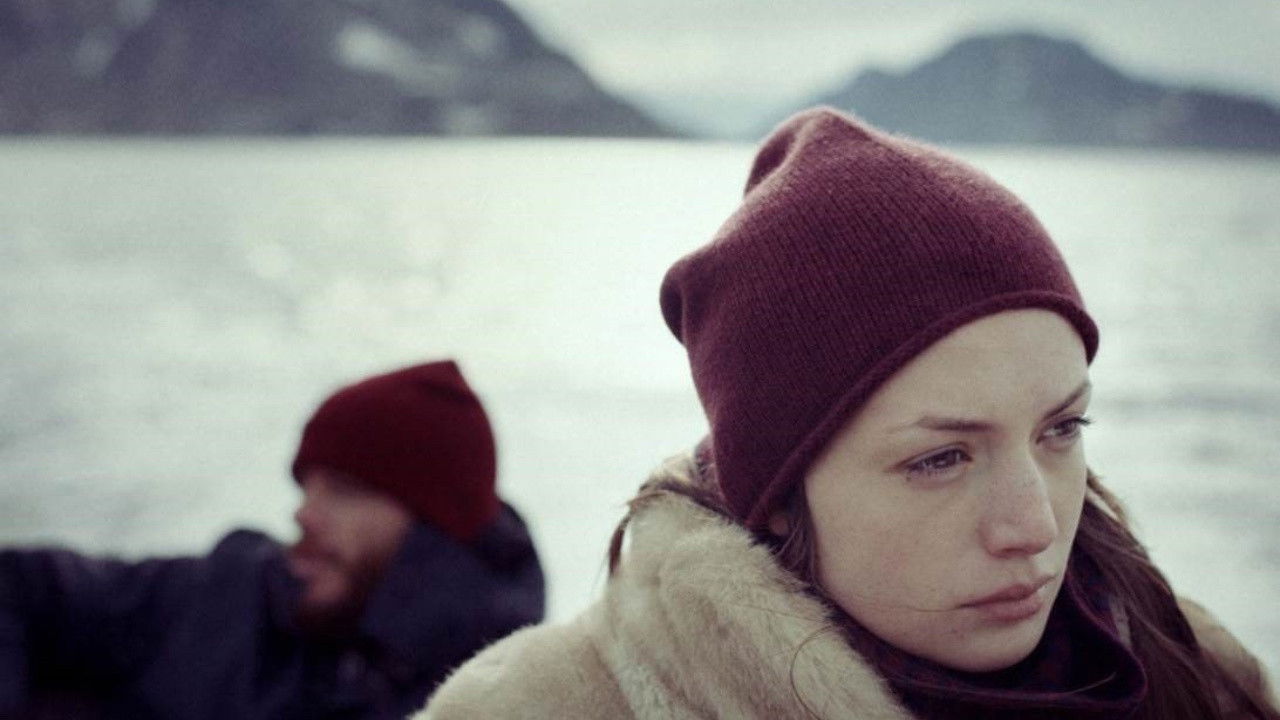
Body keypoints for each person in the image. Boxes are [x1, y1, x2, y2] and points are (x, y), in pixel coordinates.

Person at [417, 109, 1278, 719]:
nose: (1035, 527)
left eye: (1061, 430)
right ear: (778, 488)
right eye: (939, 459)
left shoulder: (1203, 678)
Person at [0, 360, 544, 719]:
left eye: (344, 490)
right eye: (307, 487)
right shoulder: (239, 592)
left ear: (434, 530)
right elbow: (20, 585)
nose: (303, 514)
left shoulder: (506, 703)